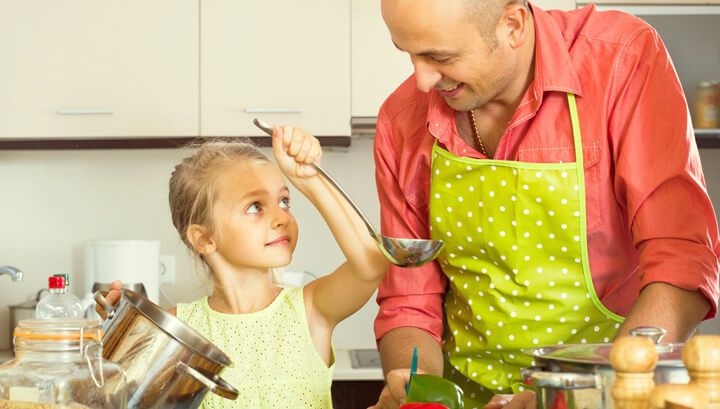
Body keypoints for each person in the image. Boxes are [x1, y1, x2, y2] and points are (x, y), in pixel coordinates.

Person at [369, 0, 720, 408]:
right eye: (408, 54)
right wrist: (419, 392)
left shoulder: (621, 60)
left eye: (439, 56)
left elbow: (681, 260)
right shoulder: (402, 119)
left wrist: (583, 395)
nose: (423, 79)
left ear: (513, 25)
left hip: (607, 395)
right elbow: (408, 301)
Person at [106, 127, 388, 408]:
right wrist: (115, 338)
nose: (281, 218)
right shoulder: (176, 331)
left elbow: (371, 264)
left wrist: (310, 180)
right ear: (204, 238)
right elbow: (113, 396)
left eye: (284, 201)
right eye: (255, 207)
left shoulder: (311, 310)